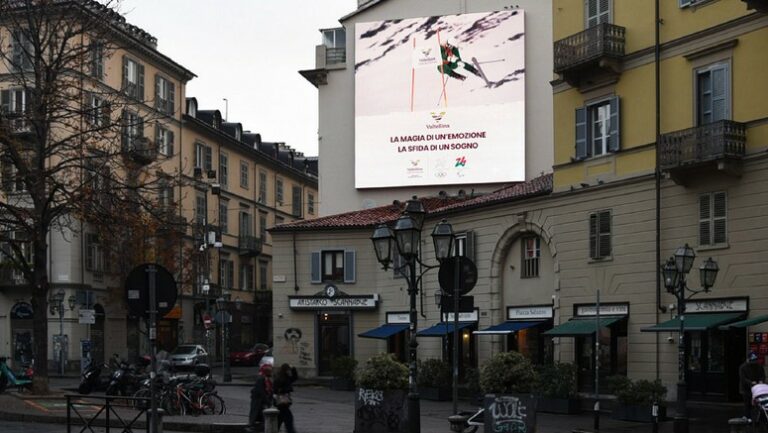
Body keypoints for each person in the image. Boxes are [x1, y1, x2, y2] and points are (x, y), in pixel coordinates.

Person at [739, 351, 765, 420]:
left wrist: (761, 380)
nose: (754, 362)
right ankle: (747, 417)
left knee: (758, 403)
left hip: (757, 388)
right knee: (747, 403)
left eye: (755, 361)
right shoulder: (743, 367)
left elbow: (762, 375)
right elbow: (743, 378)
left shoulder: (759, 366)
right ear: (748, 360)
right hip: (746, 389)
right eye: (752, 361)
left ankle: (758, 417)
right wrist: (751, 382)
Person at [273, 363, 298, 433]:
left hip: (283, 401)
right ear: (285, 370)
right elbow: (275, 389)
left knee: (280, 418)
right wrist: (283, 390)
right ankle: (290, 431)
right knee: (288, 418)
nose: (289, 371)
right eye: (288, 370)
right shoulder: (280, 378)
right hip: (282, 401)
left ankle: (274, 429)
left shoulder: (286, 377)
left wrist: (293, 369)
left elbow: (295, 378)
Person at [248, 363, 274, 431]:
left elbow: (270, 390)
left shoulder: (266, 379)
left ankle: (254, 427)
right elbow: (261, 391)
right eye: (270, 371)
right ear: (266, 372)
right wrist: (267, 401)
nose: (271, 372)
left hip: (261, 402)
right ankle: (252, 427)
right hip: (258, 401)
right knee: (258, 416)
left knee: (262, 418)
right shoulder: (261, 379)